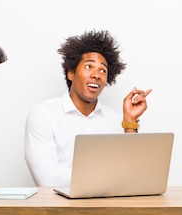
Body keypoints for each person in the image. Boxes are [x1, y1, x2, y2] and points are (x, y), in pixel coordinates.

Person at [24, 30, 152, 186]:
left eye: (102, 70)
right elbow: (47, 179)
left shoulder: (117, 121)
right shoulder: (43, 115)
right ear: (71, 73)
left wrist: (130, 121)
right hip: (59, 208)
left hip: (107, 207)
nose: (96, 75)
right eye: (89, 66)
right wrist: (110, 175)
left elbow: (133, 174)